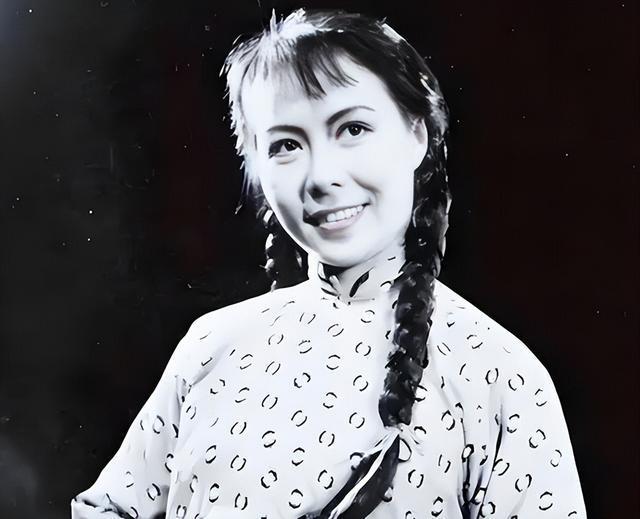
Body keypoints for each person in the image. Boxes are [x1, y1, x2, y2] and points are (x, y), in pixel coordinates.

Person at [71, 8, 586, 519]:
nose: (321, 176)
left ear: (417, 136)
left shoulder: (499, 373)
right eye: (286, 145)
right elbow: (106, 508)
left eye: (353, 129)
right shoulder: (210, 347)